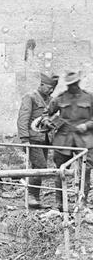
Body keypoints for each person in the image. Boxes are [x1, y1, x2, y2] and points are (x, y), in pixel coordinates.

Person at [45, 71, 93, 209]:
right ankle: (59, 202)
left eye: (73, 84)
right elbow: (46, 114)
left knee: (85, 171)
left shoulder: (89, 97)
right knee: (60, 171)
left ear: (78, 83)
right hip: (63, 140)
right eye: (69, 85)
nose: (71, 87)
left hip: (85, 140)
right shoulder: (60, 98)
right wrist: (49, 121)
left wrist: (87, 125)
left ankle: (82, 203)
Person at [17, 72, 59, 208]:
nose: (51, 90)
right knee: (40, 166)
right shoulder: (30, 97)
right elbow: (22, 119)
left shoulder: (51, 100)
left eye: (53, 88)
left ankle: (35, 198)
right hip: (32, 139)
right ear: (41, 85)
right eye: (48, 87)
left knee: (39, 168)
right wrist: (24, 139)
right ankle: (31, 196)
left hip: (44, 140)